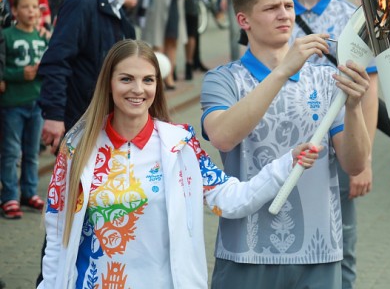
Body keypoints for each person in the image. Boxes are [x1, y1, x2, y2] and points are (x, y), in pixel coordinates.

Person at [39, 39, 320, 288]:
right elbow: (56, 229)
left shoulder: (180, 145)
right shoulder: (77, 147)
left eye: (148, 80)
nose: (138, 89)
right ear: (108, 84)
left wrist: (286, 163)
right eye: (126, 79)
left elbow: (231, 200)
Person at [201, 0, 372, 289]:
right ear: (243, 21)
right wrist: (281, 73)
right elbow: (223, 137)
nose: (284, 15)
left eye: (288, 6)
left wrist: (352, 108)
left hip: (319, 251)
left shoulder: (325, 78)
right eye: (270, 8)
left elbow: (355, 163)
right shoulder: (223, 79)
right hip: (246, 251)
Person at [290, 0, 379, 289]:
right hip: (288, 141)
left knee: (341, 241)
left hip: (337, 141)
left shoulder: (351, 17)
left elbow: (368, 88)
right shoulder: (276, 11)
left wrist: (365, 160)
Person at [38, 0, 139, 152]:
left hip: (106, 123)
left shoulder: (115, 9)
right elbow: (56, 60)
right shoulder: (82, 3)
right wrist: (54, 116)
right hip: (81, 124)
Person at [0, 0, 49, 220]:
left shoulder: (42, 37)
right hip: (13, 104)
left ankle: (29, 192)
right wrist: (20, 74)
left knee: (31, 152)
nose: (31, 11)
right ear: (15, 11)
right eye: (26, 7)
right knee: (11, 152)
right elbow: (2, 70)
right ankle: (9, 195)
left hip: (36, 103)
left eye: (35, 7)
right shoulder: (7, 36)